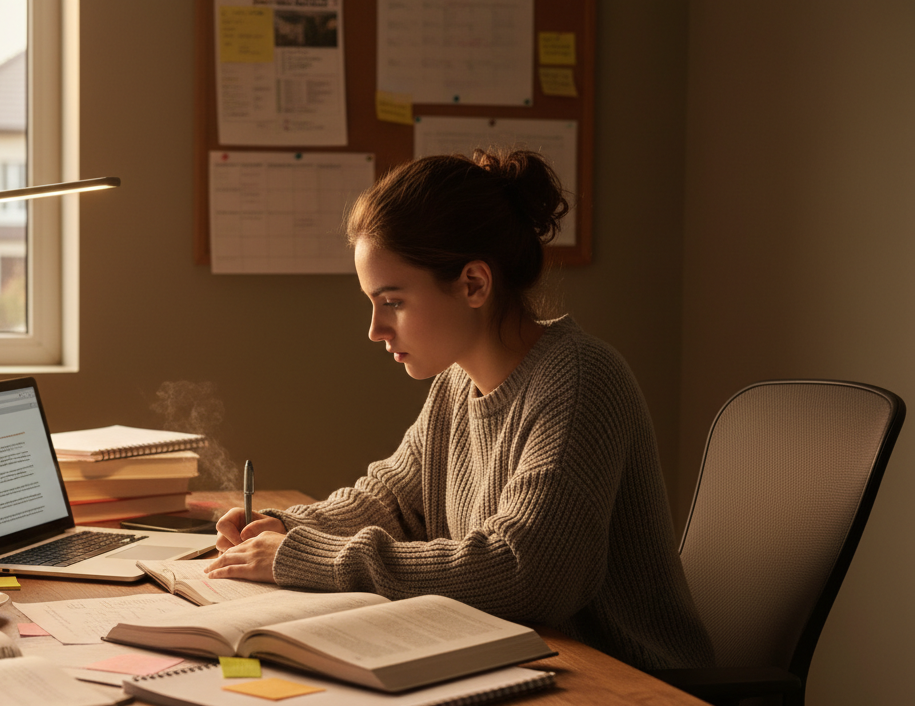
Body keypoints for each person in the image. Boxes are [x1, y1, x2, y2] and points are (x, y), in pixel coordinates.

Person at [205, 148, 712, 672]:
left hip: (627, 683)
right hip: (523, 659)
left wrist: (306, 557)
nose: (375, 330)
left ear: (474, 284)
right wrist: (279, 527)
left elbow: (525, 572)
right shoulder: (455, 384)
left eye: (393, 301)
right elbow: (391, 503)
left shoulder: (581, 379)